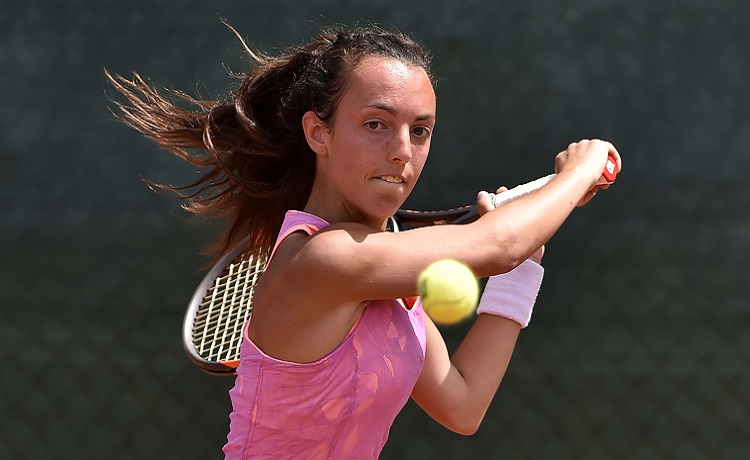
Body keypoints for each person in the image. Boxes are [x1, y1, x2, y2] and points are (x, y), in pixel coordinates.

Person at [107, 23, 621, 460]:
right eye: (376, 124)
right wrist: (576, 173)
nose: (402, 150)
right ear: (319, 134)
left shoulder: (385, 278)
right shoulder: (324, 258)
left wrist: (525, 262)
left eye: (420, 131)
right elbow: (495, 245)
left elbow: (464, 405)